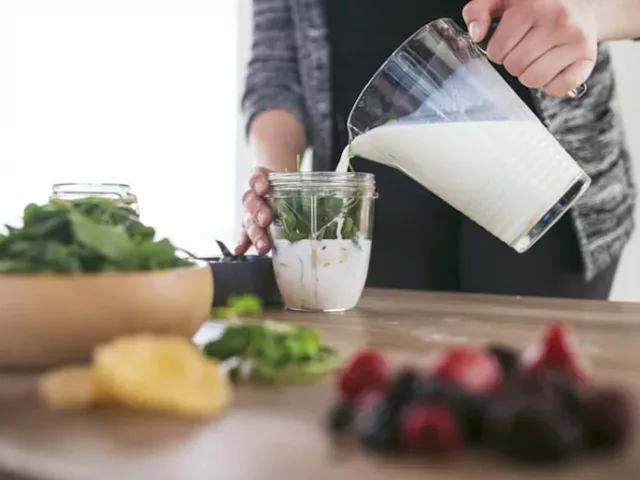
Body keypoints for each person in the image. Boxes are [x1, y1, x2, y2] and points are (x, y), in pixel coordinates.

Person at [236, 0, 640, 299]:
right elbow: (277, 68)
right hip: (367, 206)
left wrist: (591, 11)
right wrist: (276, 175)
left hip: (539, 188)